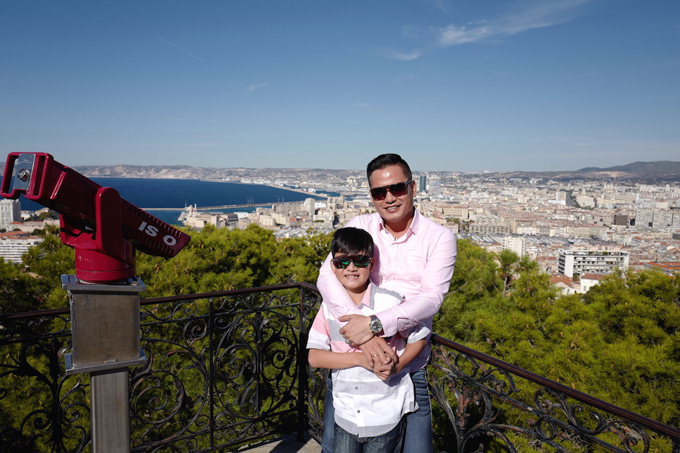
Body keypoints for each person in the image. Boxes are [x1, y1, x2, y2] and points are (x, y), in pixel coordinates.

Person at [316, 153, 457, 453]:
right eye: (380, 192)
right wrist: (363, 335)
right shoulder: (360, 226)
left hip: (408, 367)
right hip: (351, 368)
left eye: (397, 188)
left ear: (413, 188)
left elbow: (432, 298)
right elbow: (327, 275)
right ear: (372, 195)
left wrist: (373, 326)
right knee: (333, 447)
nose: (389, 198)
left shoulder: (439, 238)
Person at [308, 227, 430, 453]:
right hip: (345, 413)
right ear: (332, 266)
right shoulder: (328, 308)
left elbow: (419, 338)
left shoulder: (390, 303)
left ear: (371, 265)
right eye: (342, 262)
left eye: (360, 261)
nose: (351, 267)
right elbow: (314, 357)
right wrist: (359, 360)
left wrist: (398, 367)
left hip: (385, 413)